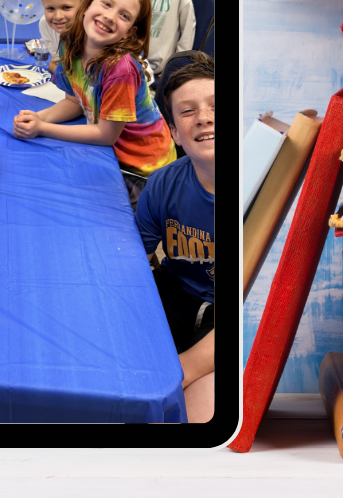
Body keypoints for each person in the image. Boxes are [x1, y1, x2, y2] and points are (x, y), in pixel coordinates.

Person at [13, 0, 176, 200]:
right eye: (107, 4)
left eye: (124, 15)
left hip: (143, 171)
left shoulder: (120, 69)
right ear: (88, 4)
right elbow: (74, 102)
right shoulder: (71, 44)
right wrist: (38, 117)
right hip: (110, 152)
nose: (110, 16)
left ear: (129, 32)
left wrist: (42, 128)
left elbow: (105, 135)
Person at [135, 52, 214, 422]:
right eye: (187, 111)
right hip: (173, 298)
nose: (204, 117)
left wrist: (181, 372)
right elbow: (135, 265)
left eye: (215, 105)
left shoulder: (257, 193)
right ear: (175, 134)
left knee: (197, 414)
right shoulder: (162, 184)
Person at [37, 0, 88, 74]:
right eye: (50, 8)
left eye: (66, 7)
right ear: (43, 5)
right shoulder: (44, 24)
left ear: (84, 5)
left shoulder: (90, 29)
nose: (58, 16)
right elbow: (59, 62)